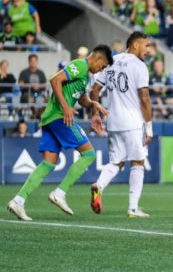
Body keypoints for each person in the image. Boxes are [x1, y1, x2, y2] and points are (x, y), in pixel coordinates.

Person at [7, 45, 113, 221]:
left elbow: (81, 98)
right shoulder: (80, 65)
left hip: (50, 118)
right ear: (99, 59)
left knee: (48, 163)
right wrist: (65, 107)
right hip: (59, 117)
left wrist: (93, 104)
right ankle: (60, 192)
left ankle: (18, 201)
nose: (101, 70)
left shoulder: (85, 75)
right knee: (89, 153)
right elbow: (55, 80)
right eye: (102, 67)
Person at [90, 32, 153, 218]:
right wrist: (149, 127)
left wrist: (96, 114)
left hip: (113, 120)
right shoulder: (139, 66)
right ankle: (133, 208)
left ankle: (98, 185)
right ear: (134, 45)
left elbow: (94, 90)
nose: (148, 50)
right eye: (146, 46)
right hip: (133, 121)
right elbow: (144, 98)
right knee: (138, 162)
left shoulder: (111, 61)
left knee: (116, 162)